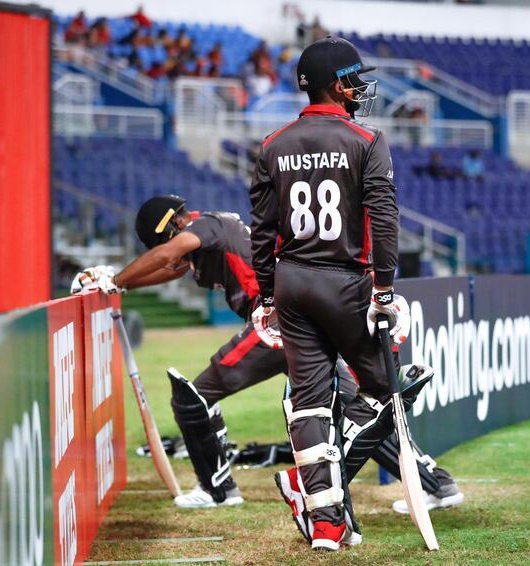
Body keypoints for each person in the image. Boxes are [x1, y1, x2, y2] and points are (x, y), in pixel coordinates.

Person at [71, 196, 463, 519]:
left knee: (193, 398)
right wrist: (119, 281)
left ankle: (218, 489)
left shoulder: (205, 226)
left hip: (275, 324)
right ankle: (437, 484)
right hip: (299, 322)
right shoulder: (212, 232)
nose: (169, 257)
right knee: (350, 418)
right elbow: (171, 266)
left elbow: (172, 253)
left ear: (169, 229)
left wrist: (117, 280)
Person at [249, 36, 435, 551]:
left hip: (292, 282)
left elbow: (262, 232)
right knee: (381, 391)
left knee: (309, 402)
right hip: (346, 282)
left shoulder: (271, 144)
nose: (361, 87)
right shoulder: (366, 139)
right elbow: (384, 217)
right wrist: (385, 288)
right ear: (336, 83)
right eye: (355, 78)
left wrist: (266, 298)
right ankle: (319, 488)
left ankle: (325, 520)